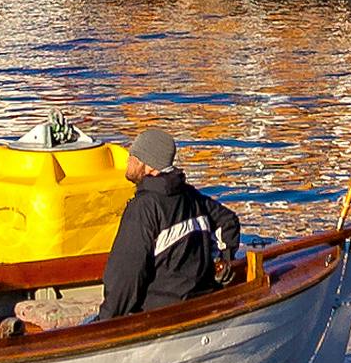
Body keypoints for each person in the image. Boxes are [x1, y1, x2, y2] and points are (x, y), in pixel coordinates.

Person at [95, 131, 244, 323]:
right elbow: (228, 222)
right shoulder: (190, 196)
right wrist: (223, 261)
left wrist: (107, 321)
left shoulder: (144, 208)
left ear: (148, 165)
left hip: (158, 315)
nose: (128, 160)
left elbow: (126, 276)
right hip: (200, 304)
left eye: (133, 156)